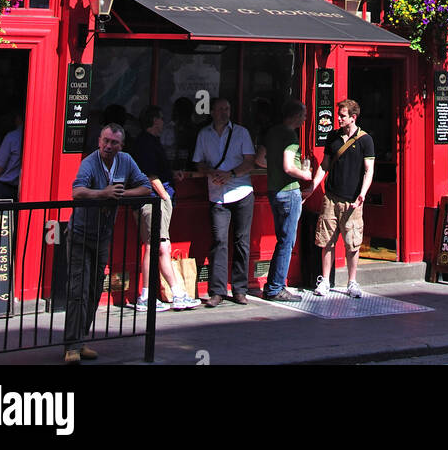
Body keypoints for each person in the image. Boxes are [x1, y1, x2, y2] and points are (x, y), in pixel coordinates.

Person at [64, 124, 151, 365]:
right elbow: (77, 191)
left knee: (94, 289)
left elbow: (145, 186)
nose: (108, 146)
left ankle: (80, 340)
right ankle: (72, 345)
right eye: (105, 141)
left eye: (113, 142)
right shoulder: (90, 162)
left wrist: (120, 195)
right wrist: (103, 194)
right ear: (99, 141)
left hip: (103, 235)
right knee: (77, 289)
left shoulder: (125, 161)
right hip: (81, 233)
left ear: (121, 146)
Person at [131, 105, 200, 311]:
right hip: (154, 201)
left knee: (154, 246)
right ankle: (172, 294)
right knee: (160, 247)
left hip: (149, 200)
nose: (164, 122)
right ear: (154, 120)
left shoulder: (148, 142)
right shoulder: (147, 144)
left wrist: (171, 176)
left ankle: (149, 295)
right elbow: (151, 175)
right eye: (161, 118)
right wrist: (165, 196)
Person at [306, 98, 374, 299]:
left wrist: (363, 193)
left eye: (342, 116)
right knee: (327, 240)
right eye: (339, 115)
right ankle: (325, 280)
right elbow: (325, 165)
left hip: (352, 200)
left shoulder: (365, 140)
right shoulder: (333, 137)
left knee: (352, 242)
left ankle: (352, 282)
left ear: (353, 117)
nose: (338, 118)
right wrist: (313, 186)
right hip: (331, 197)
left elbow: (369, 170)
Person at [193, 98, 255, 306]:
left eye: (227, 109)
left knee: (241, 241)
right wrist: (211, 172)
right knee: (219, 241)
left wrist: (231, 174)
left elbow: (249, 161)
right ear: (211, 112)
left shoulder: (241, 132)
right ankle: (217, 291)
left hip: (242, 192)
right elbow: (198, 162)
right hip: (217, 194)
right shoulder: (204, 135)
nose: (224, 113)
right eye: (220, 109)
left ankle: (240, 289)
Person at [261, 98, 312, 302]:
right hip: (289, 191)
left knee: (281, 239)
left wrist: (272, 169)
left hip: (273, 191)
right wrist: (305, 175)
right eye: (304, 115)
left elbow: (259, 159)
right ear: (295, 116)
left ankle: (272, 284)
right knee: (287, 241)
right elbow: (288, 166)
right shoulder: (291, 136)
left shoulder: (272, 132)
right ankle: (275, 287)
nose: (305, 119)